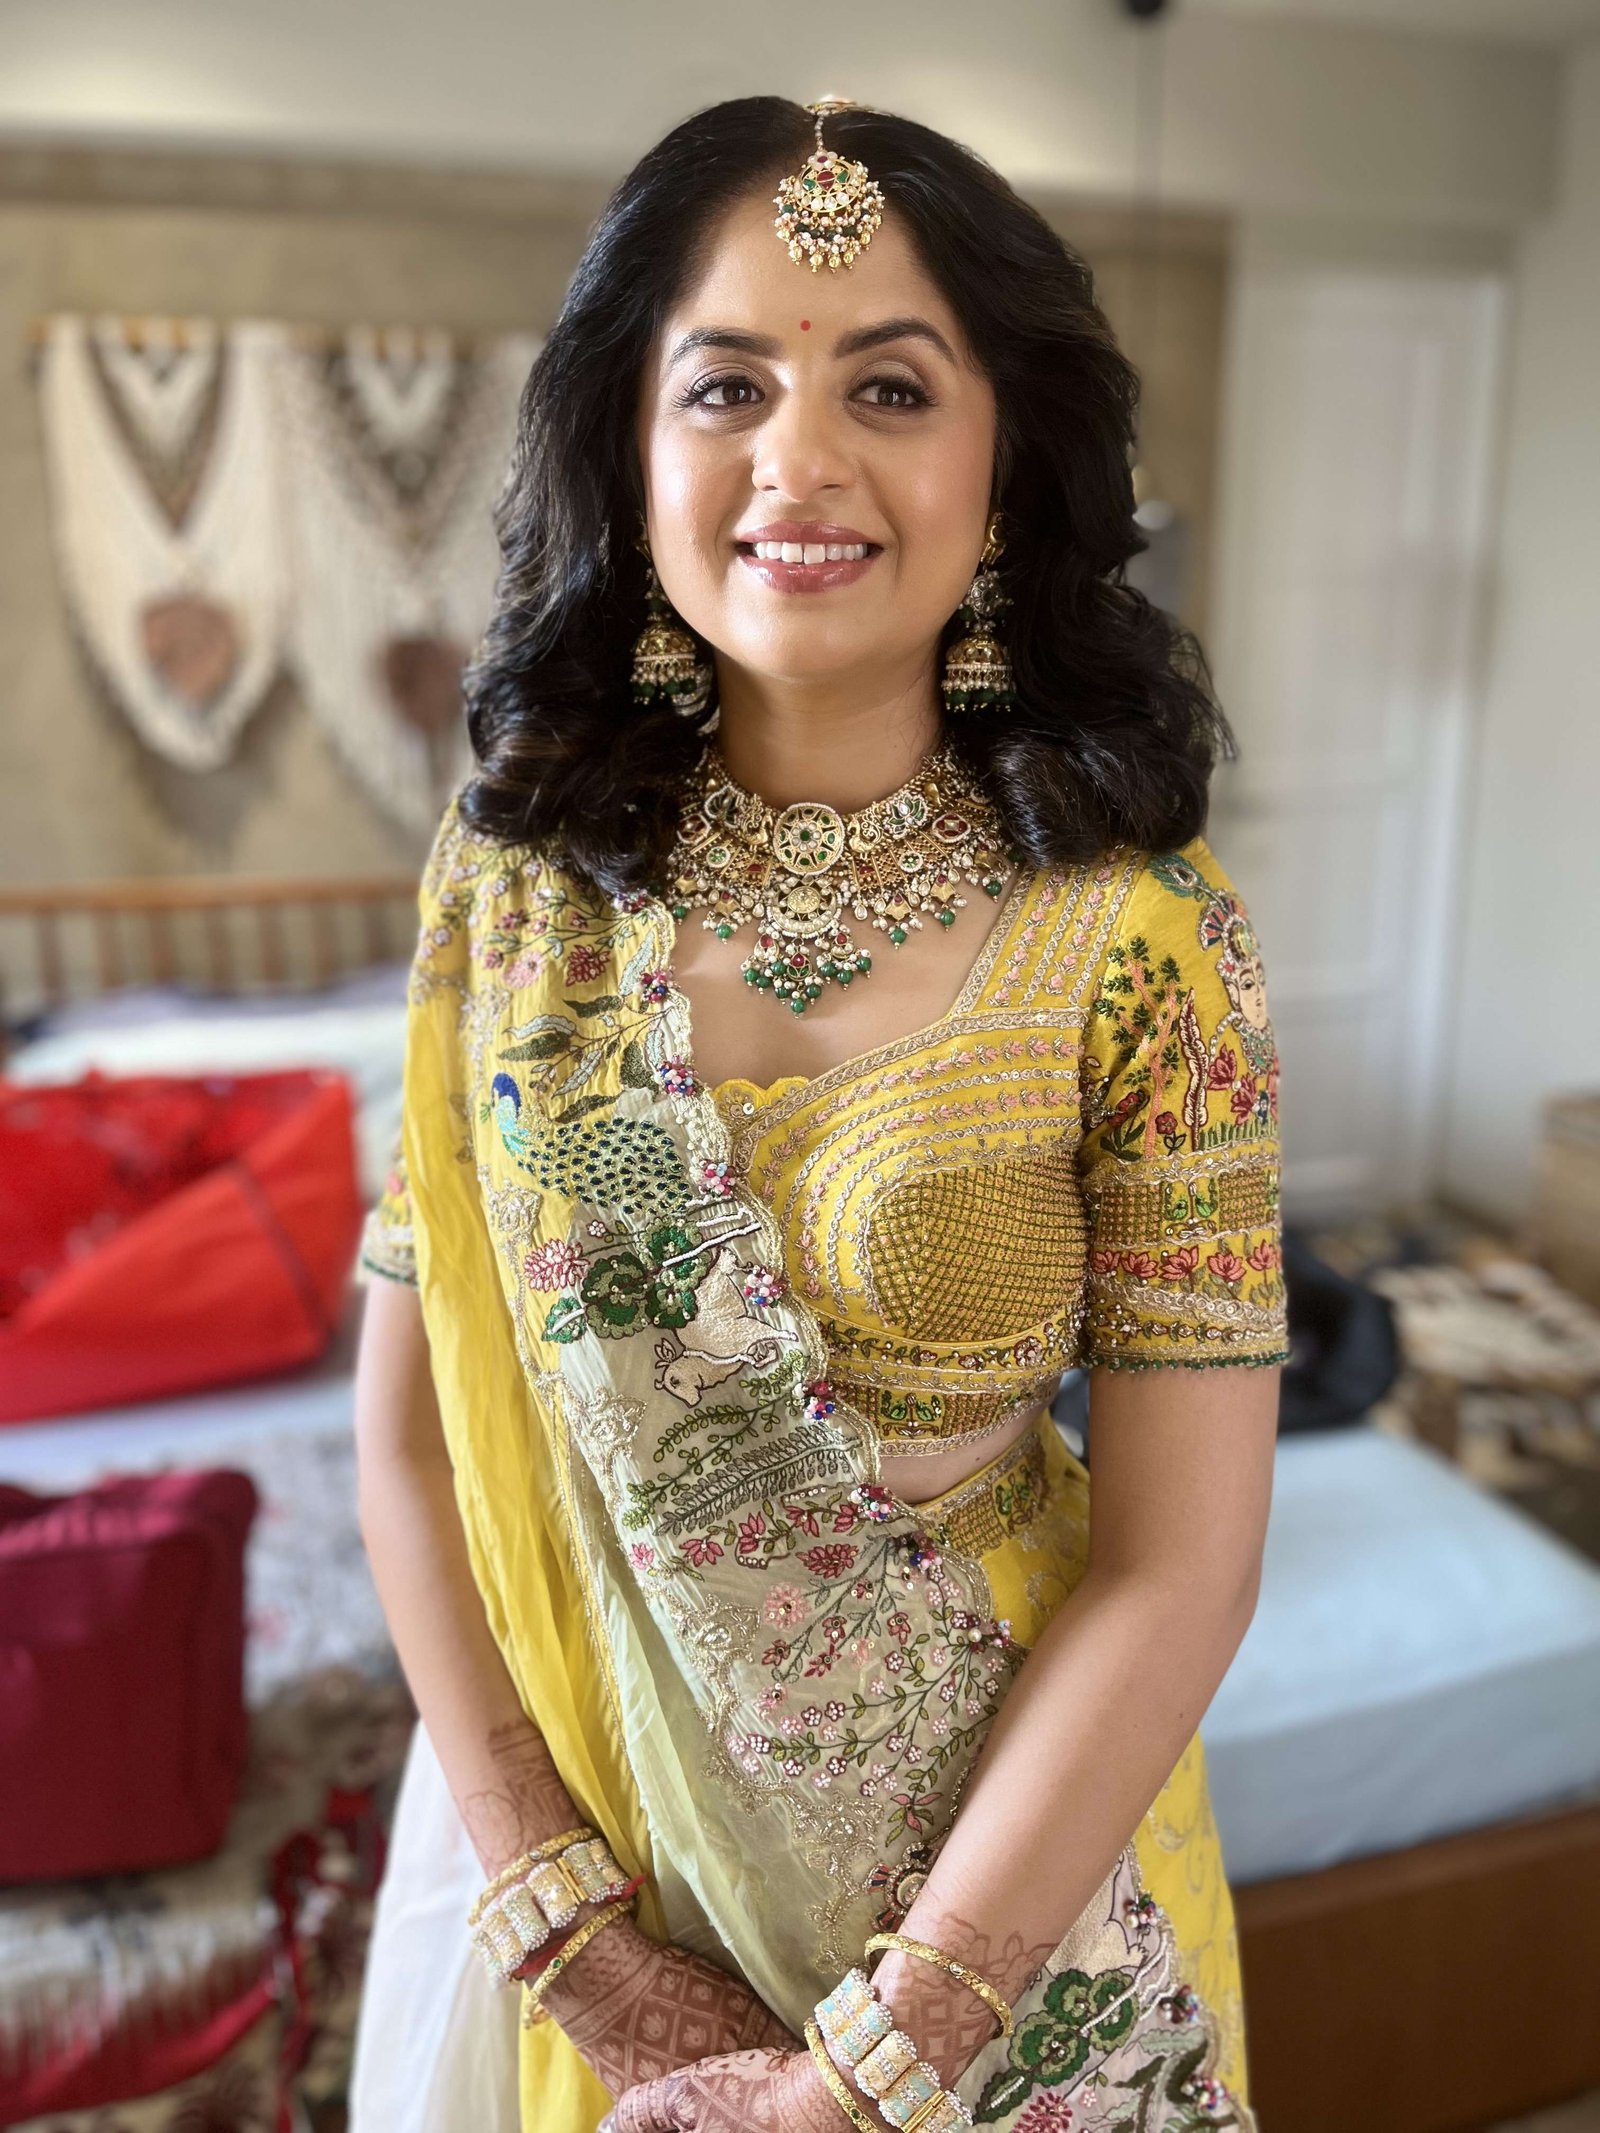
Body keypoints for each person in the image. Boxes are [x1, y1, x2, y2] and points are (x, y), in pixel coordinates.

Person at [349, 93, 1288, 2133]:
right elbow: (414, 1439)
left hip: (1026, 1933)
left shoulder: (1145, 938)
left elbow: (1183, 1564)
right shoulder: (513, 896)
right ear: (629, 449)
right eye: (725, 387)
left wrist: (888, 2056)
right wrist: (578, 1941)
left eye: (889, 384)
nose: (799, 460)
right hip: (614, 1886)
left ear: (1006, 463)